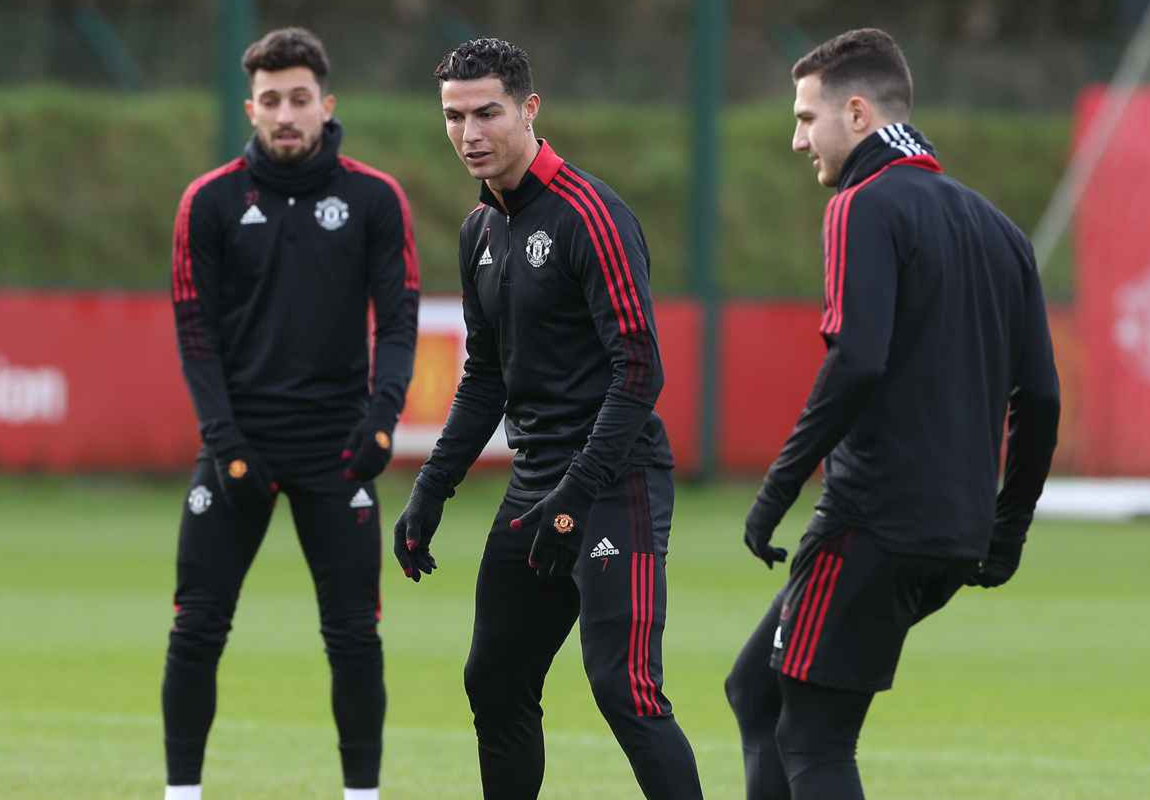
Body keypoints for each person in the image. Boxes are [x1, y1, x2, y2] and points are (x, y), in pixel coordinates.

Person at [724, 28, 1060, 800]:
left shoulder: (862, 205)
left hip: (870, 523)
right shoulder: (1001, 230)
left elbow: (858, 361)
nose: (797, 139)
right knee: (759, 691)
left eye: (806, 118)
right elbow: (1040, 398)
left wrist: (776, 490)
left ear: (857, 113)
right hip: (952, 534)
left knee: (812, 734)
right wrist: (1006, 528)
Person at [391, 37, 703, 800]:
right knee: (494, 681)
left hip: (615, 483)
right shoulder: (479, 231)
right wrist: (433, 488)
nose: (470, 133)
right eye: (454, 117)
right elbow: (485, 377)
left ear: (529, 109)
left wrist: (576, 494)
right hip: (538, 485)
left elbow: (640, 370)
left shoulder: (591, 216)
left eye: (487, 113)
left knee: (624, 689)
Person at [163, 27, 419, 800]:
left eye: (298, 99)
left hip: (337, 448)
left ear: (325, 104)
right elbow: (195, 334)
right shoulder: (208, 201)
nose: (285, 114)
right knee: (197, 626)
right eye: (270, 100)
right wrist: (225, 443)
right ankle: (181, 794)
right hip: (238, 445)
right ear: (251, 108)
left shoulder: (374, 198)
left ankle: (362, 795)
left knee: (354, 634)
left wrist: (382, 421)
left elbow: (398, 321)